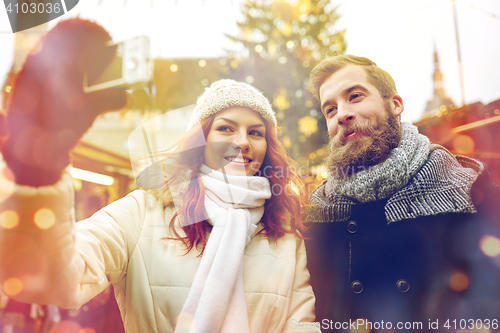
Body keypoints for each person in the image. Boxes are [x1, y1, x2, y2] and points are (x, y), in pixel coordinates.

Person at [0, 19, 319, 333]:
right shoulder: (144, 209)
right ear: (201, 140)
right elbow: (52, 280)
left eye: (256, 132)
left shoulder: (284, 229)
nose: (242, 141)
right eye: (225, 128)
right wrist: (35, 174)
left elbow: (301, 324)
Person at [304, 55, 500, 332]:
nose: (342, 114)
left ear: (395, 105)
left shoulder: (469, 189)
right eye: (330, 110)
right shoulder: (315, 216)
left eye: (355, 96)